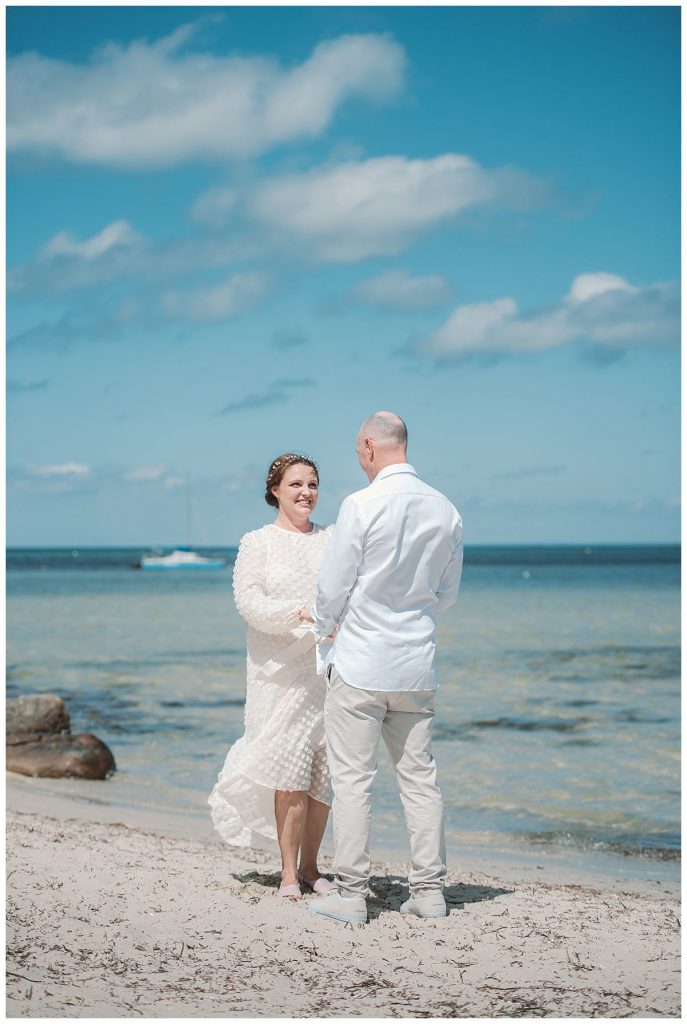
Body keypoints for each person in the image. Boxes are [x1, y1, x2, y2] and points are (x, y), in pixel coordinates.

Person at [303, 412, 463, 925]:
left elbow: (332, 587)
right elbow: (446, 594)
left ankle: (351, 895)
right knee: (420, 781)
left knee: (353, 781)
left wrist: (325, 628)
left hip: (360, 663)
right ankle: (430, 892)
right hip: (416, 666)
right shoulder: (446, 510)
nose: (359, 460)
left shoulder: (361, 505)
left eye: (357, 452)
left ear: (370, 446)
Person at [208, 453, 336, 900]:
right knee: (290, 771)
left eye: (314, 484)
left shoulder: (333, 539)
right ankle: (286, 873)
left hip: (326, 670)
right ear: (275, 491)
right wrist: (297, 613)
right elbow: (248, 603)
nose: (307, 493)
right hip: (277, 674)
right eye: (297, 484)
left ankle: (312, 867)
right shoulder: (256, 542)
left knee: (323, 774)